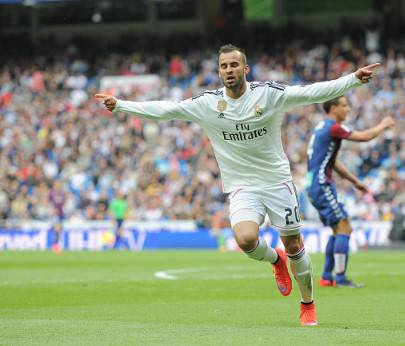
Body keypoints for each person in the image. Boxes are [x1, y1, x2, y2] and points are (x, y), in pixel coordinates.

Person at [95, 44, 379, 326]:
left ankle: (308, 304)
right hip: (242, 185)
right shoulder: (207, 104)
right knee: (245, 239)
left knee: (294, 245)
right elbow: (167, 109)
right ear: (219, 72)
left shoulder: (268, 95)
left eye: (233, 65)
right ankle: (275, 260)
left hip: (277, 182)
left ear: (245, 69)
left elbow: (310, 93)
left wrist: (352, 80)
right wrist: (121, 105)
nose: (228, 70)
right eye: (223, 66)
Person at [306, 96, 395, 288]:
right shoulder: (333, 127)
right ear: (333, 108)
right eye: (344, 106)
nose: (348, 109)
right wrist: (383, 125)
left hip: (314, 184)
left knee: (338, 229)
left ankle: (327, 277)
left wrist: (355, 181)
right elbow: (363, 137)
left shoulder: (321, 128)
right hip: (321, 184)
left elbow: (333, 162)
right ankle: (340, 277)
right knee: (345, 227)